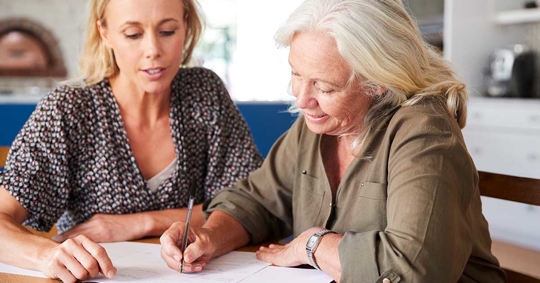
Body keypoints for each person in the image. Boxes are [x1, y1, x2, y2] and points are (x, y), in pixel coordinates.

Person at [160, 0, 507, 282]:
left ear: (379, 82)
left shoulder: (424, 131)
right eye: (296, 74)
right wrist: (210, 236)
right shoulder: (318, 125)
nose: (301, 98)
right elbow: (258, 201)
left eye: (324, 87)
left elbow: (415, 269)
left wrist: (311, 245)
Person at [0, 0, 262, 282]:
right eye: (133, 35)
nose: (153, 51)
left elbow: (255, 203)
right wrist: (46, 255)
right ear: (105, 32)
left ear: (186, 25)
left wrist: (137, 223)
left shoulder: (205, 93)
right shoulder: (68, 110)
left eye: (167, 31)